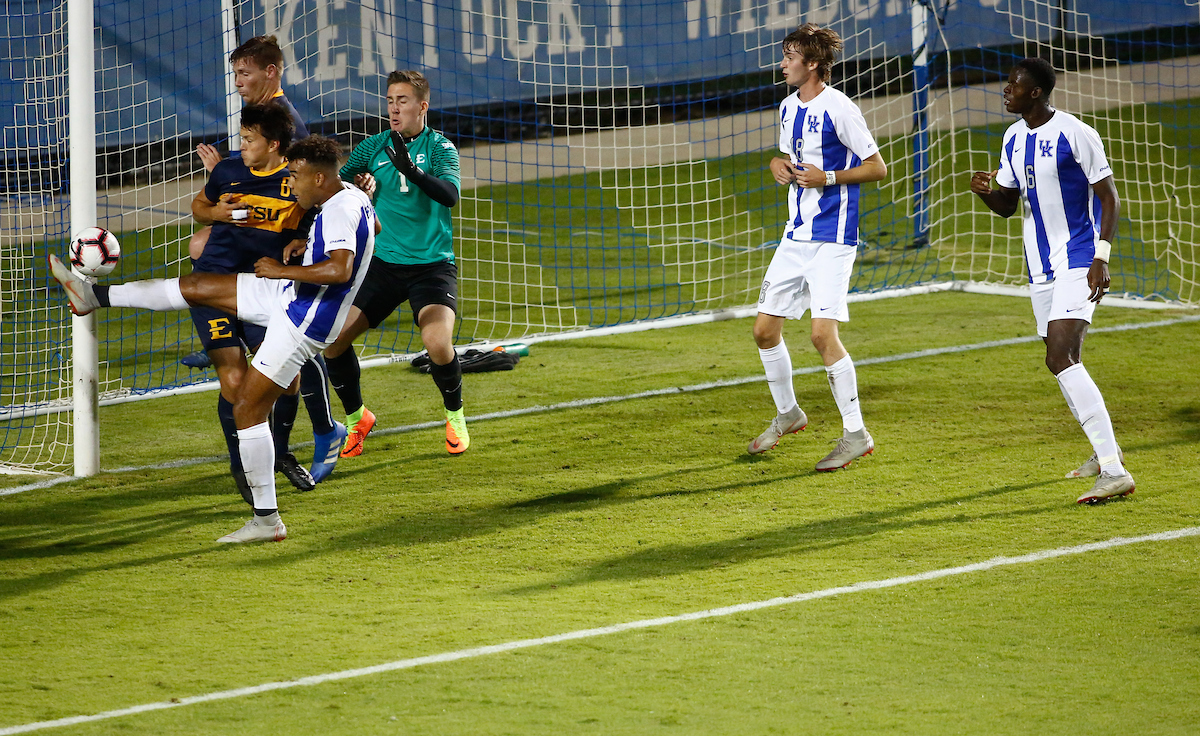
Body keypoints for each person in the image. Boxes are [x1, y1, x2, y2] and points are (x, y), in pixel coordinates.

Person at [50, 135, 376, 542]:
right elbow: (370, 229)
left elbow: (341, 270)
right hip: (292, 297)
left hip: (302, 321)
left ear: (320, 176)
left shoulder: (339, 206)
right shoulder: (348, 196)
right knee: (200, 285)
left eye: (295, 176)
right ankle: (91, 297)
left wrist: (281, 269)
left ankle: (267, 520)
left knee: (246, 409)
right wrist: (305, 245)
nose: (290, 184)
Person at [970, 58, 1134, 504]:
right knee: (1061, 361)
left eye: (1012, 86)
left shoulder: (1075, 133)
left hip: (1078, 260)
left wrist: (1101, 257)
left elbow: (1108, 197)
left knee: (1060, 357)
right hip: (1039, 268)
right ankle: (1106, 453)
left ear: (1036, 92)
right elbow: (1008, 205)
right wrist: (986, 191)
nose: (1005, 91)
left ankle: (1115, 470)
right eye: (1006, 85)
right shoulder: (1012, 138)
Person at [748, 23, 887, 471]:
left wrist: (829, 177)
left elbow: (876, 167)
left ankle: (856, 434)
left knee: (821, 335)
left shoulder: (840, 109)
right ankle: (789, 414)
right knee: (764, 331)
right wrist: (776, 163)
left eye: (790, 57)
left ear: (811, 64)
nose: (783, 63)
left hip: (833, 239)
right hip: (795, 236)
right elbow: (787, 155)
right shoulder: (788, 106)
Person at [189, 102, 344, 501]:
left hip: (263, 289)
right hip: (215, 288)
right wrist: (217, 213)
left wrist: (301, 239)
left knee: (286, 377)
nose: (241, 147)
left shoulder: (297, 180)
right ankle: (242, 463)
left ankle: (279, 453)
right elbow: (199, 208)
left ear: (273, 144)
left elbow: (322, 217)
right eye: (242, 138)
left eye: (249, 139)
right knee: (236, 381)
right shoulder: (226, 172)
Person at [323, 69, 467, 457]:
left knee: (437, 343)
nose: (393, 108)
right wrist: (357, 189)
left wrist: (413, 171)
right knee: (333, 343)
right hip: (382, 265)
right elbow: (337, 188)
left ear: (422, 106)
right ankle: (357, 419)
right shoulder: (373, 147)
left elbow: (450, 196)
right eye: (389, 101)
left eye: (402, 101)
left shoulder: (441, 148)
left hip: (431, 266)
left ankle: (454, 415)